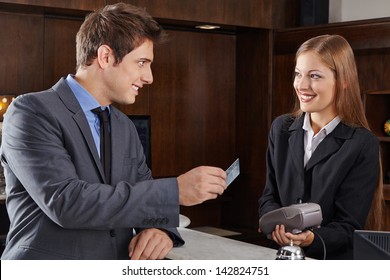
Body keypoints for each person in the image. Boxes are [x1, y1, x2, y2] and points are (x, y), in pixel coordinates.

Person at [0, 2, 227, 260]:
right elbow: (67, 202)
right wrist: (175, 191)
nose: (149, 77)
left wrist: (159, 228)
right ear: (105, 57)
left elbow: (142, 189)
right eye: (141, 62)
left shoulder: (124, 125)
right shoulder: (31, 111)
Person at [258, 34, 383, 260]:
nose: (302, 85)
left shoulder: (362, 144)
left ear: (343, 80)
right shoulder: (281, 129)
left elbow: (347, 226)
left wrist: (310, 239)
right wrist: (273, 225)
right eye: (298, 74)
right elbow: (269, 197)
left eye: (314, 76)